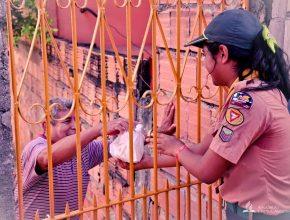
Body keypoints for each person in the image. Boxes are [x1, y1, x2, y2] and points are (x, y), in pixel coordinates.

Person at [118, 9, 290, 220]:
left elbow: (207, 172)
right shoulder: (255, 92)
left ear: (223, 54)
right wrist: (148, 160)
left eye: (205, 55)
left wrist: (176, 148)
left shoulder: (248, 102)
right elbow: (202, 151)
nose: (204, 64)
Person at [14, 97, 175, 219]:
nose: (75, 126)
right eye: (67, 121)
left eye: (76, 120)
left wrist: (155, 135)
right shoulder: (34, 148)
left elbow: (120, 146)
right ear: (45, 126)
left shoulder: (83, 150)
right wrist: (98, 130)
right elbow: (48, 158)